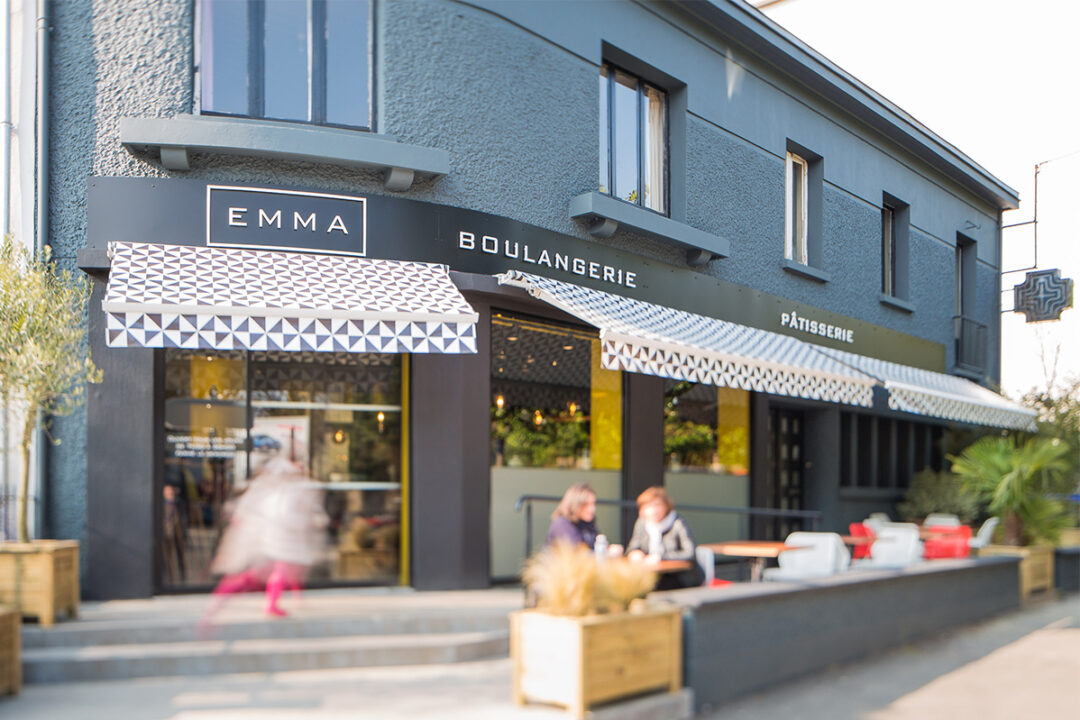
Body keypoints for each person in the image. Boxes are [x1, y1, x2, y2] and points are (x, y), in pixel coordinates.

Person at [199, 456, 328, 630]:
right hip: (267, 543)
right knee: (253, 577)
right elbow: (281, 516)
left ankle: (272, 604)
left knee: (281, 571)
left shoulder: (280, 491)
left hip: (271, 542)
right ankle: (215, 610)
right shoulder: (274, 492)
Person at [626, 486, 704, 590]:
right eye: (649, 506)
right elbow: (633, 547)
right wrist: (634, 553)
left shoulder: (678, 523)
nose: (654, 510)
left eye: (657, 505)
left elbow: (689, 553)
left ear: (666, 506)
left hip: (681, 577)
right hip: (653, 574)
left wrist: (660, 557)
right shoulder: (642, 523)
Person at [545, 483, 602, 550]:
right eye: (586, 504)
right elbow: (577, 552)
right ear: (575, 504)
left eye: (593, 503)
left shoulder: (588, 524)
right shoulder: (562, 524)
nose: (592, 509)